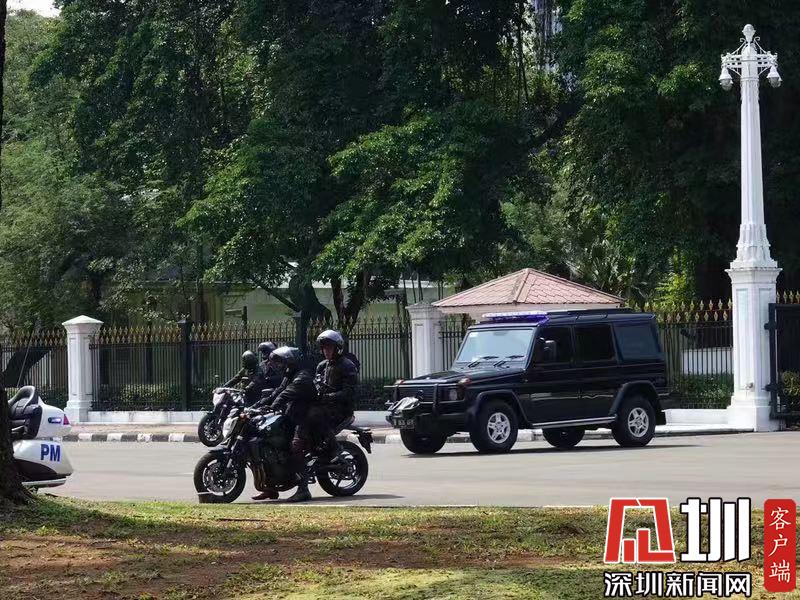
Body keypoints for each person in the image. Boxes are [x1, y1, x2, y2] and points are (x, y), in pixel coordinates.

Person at [249, 346, 318, 502]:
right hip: (292, 415)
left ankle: (303, 489)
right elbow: (278, 391)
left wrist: (273, 406)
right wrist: (257, 406)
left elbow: (286, 394)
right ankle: (270, 487)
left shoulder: (302, 376)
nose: (278, 365)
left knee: (296, 446)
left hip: (305, 417)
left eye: (281, 362)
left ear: (290, 361)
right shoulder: (289, 374)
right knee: (268, 442)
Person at [312, 330, 358, 460]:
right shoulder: (322, 366)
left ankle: (335, 451)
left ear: (337, 348)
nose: (326, 351)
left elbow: (349, 392)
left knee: (316, 418)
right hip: (325, 406)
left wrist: (329, 397)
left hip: (341, 410)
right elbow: (315, 384)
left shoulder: (347, 366)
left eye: (329, 348)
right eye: (324, 348)